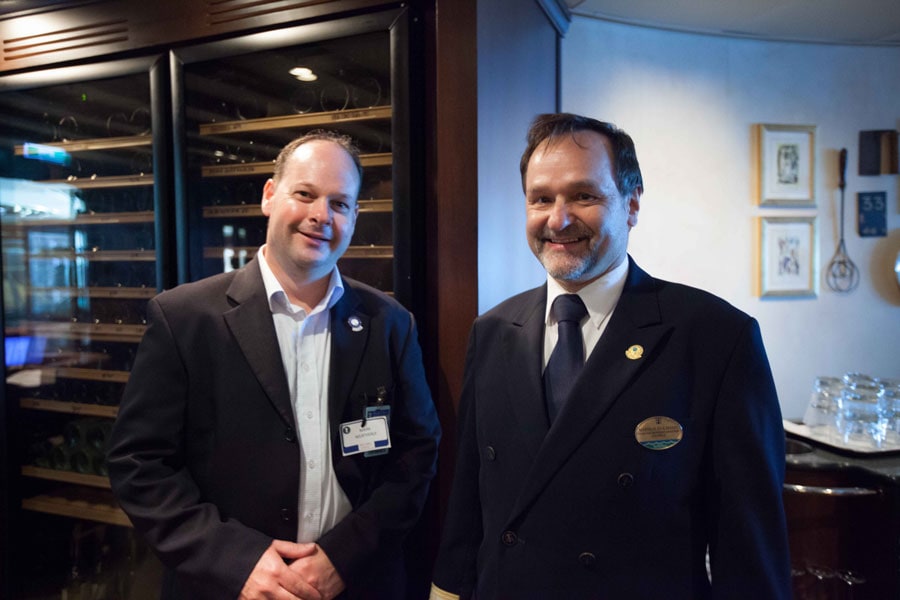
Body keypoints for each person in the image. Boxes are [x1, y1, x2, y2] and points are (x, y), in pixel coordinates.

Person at [430, 113, 791, 599]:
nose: (558, 219)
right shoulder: (493, 331)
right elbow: (469, 506)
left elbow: (749, 546)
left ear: (632, 204)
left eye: (584, 195)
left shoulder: (715, 338)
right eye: (541, 199)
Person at [107, 130, 441, 600]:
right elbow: (139, 465)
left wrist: (344, 556)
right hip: (226, 588)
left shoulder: (390, 323)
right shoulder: (184, 319)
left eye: (339, 203)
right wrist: (236, 562)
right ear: (269, 195)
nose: (321, 215)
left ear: (354, 218)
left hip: (356, 584)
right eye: (304, 194)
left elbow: (416, 454)